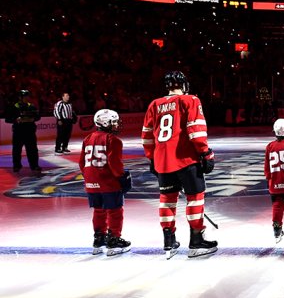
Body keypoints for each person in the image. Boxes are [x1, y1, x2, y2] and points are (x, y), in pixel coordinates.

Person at [141, 71, 218, 259]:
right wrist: (206, 154)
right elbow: (196, 130)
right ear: (183, 85)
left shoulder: (154, 104)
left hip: (163, 162)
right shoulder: (190, 100)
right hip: (186, 160)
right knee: (195, 198)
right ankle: (197, 240)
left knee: (167, 199)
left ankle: (169, 241)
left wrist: (152, 158)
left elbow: (147, 135)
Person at [79, 109, 132, 256]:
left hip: (91, 182)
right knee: (115, 210)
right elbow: (114, 163)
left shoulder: (87, 138)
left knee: (98, 210)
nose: (116, 125)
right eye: (113, 121)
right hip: (108, 181)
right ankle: (114, 239)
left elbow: (81, 163)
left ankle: (99, 238)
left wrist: (90, 178)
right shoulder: (113, 140)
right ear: (105, 122)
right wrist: (121, 178)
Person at [5, 90, 41, 175]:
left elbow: (38, 116)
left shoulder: (31, 106)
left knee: (33, 150)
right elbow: (7, 119)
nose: (26, 98)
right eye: (25, 97)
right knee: (17, 150)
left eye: (27, 96)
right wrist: (16, 119)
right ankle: (16, 166)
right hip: (18, 132)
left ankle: (34, 165)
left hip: (30, 132)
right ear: (20, 98)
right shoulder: (14, 107)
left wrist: (33, 119)